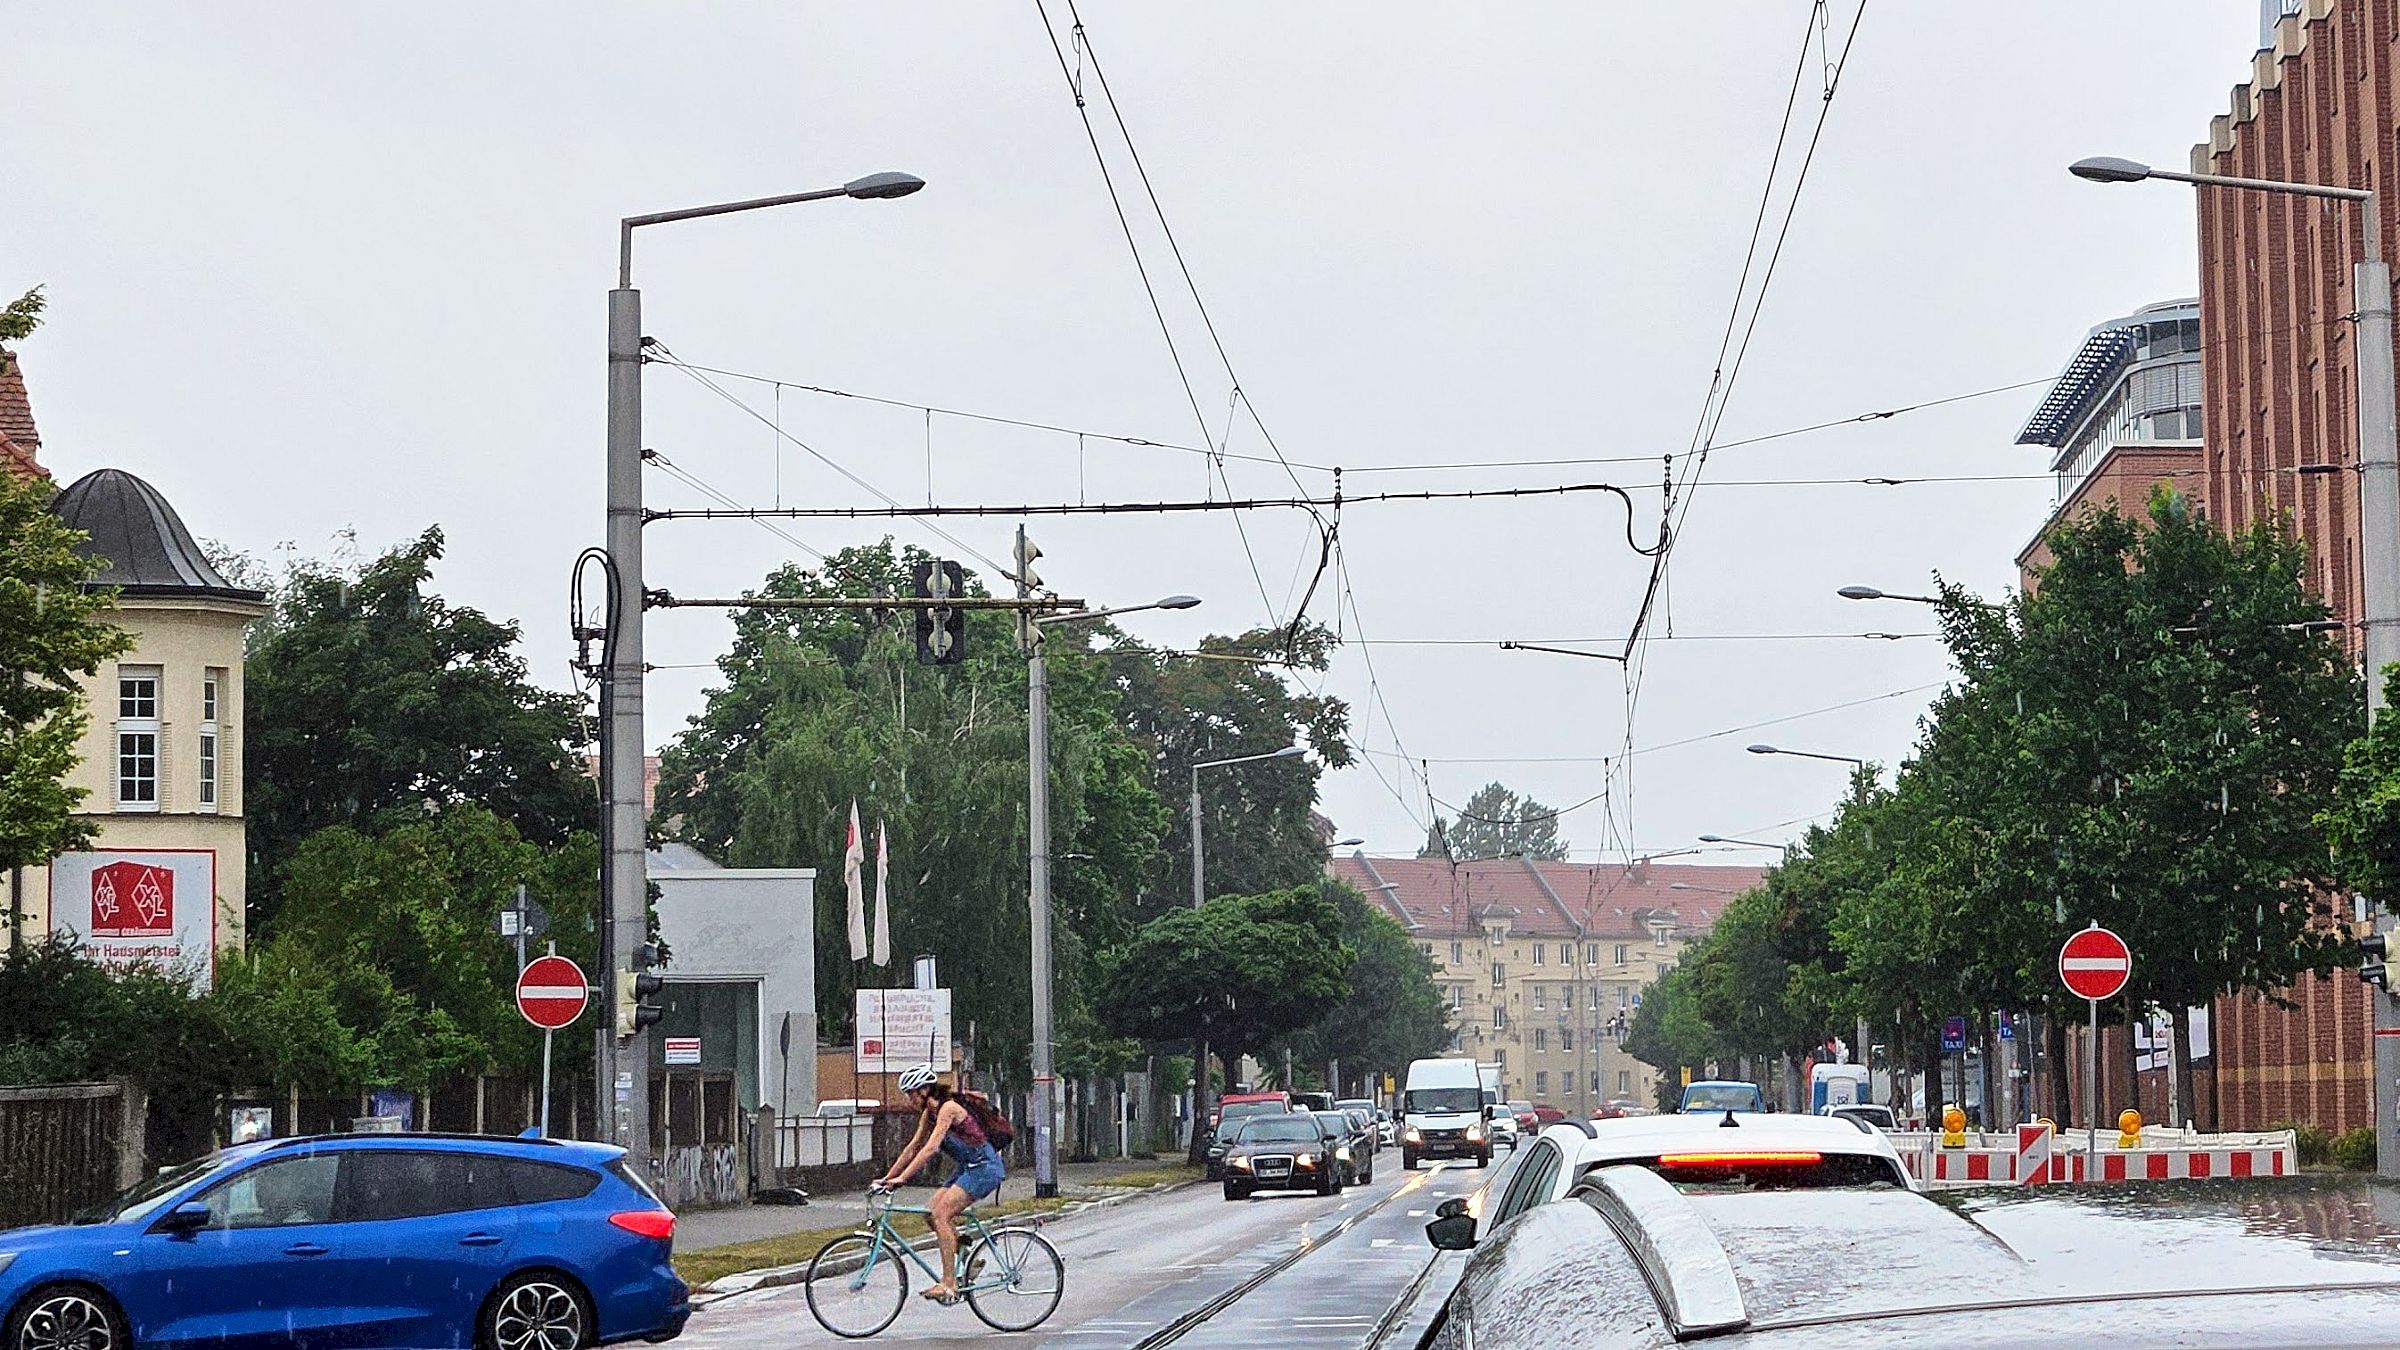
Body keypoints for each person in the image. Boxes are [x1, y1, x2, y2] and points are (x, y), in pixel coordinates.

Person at [873, 1063, 1006, 1303]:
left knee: (942, 1216)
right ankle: (968, 1261)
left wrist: (903, 1179)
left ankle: (948, 1284)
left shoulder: (948, 1109)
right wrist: (887, 1178)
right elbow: (912, 1147)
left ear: (924, 1091)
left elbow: (931, 1148)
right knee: (929, 1213)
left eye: (911, 1093)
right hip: (968, 1167)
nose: (909, 1099)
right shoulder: (929, 1114)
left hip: (984, 1168)